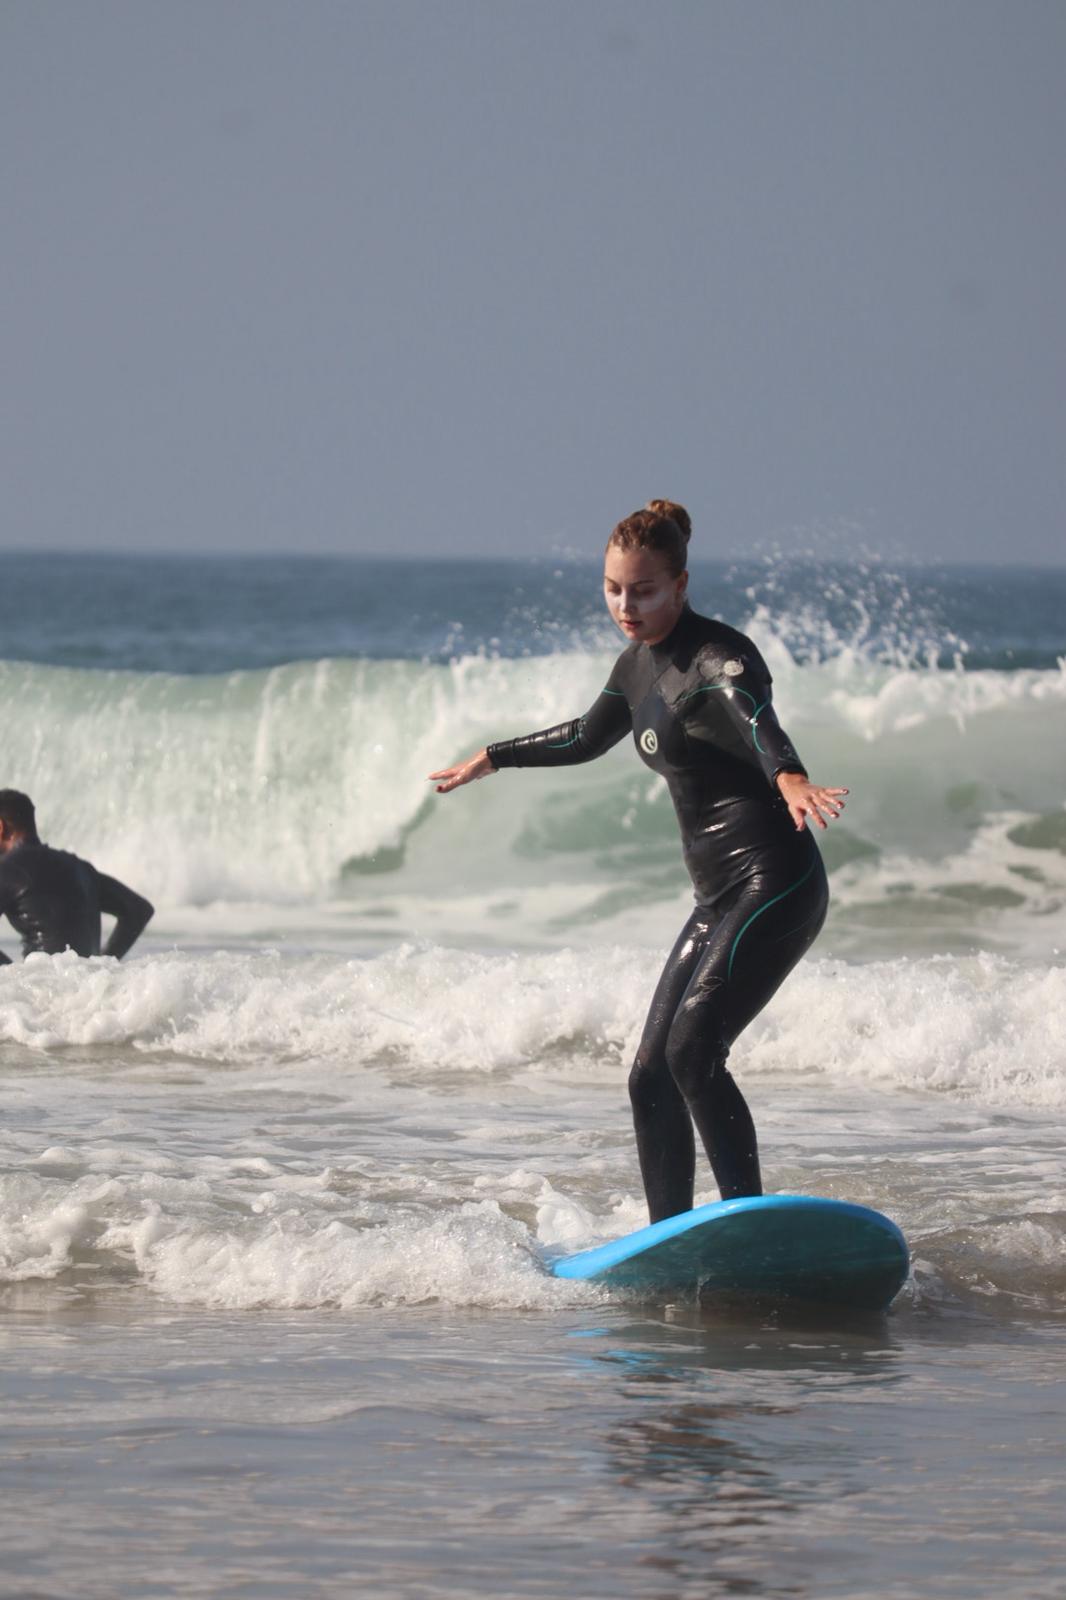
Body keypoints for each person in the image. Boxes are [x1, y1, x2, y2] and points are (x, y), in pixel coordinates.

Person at [429, 502, 847, 1223]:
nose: (627, 604)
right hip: (718, 896)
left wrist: (790, 778)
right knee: (649, 1075)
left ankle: (745, 1224)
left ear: (680, 586)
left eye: (645, 590)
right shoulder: (636, 667)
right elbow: (586, 737)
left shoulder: (719, 657)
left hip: (776, 880)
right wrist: (495, 756)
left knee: (693, 1052)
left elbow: (755, 718)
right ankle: (674, 1238)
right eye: (614, 588)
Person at [0, 789, 154, 965]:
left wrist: (13, 976)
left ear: (1, 827)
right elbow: (138, 910)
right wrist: (101, 965)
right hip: (87, 988)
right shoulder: (79, 868)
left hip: (40, 988)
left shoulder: (7, 869)